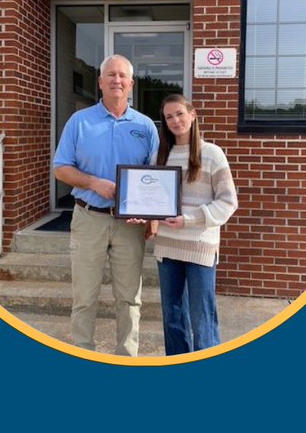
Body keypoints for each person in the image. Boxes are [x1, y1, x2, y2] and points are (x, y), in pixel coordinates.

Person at [52, 54, 159, 356]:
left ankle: (127, 356)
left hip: (129, 226)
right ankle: (83, 352)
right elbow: (60, 168)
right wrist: (93, 182)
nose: (116, 80)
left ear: (131, 84)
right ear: (99, 82)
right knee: (84, 296)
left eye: (122, 75)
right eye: (110, 75)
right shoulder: (79, 121)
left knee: (129, 298)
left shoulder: (145, 126)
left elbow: (153, 176)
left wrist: (152, 216)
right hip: (89, 219)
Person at [147, 93, 238, 355]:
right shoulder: (159, 157)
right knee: (172, 316)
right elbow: (150, 200)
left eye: (179, 114)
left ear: (192, 114)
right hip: (167, 247)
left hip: (199, 246)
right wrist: (143, 215)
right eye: (168, 117)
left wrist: (189, 220)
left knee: (202, 317)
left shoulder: (212, 154)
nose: (175, 120)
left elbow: (228, 202)